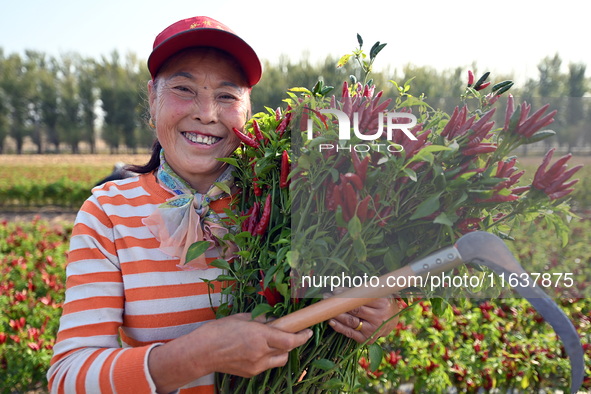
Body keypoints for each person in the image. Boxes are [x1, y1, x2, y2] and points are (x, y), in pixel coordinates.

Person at [47, 16, 399, 393]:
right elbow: (69, 377)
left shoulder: (286, 197)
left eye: (227, 96)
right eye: (184, 89)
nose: (207, 113)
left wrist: (379, 314)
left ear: (248, 111)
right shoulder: (109, 212)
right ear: (152, 98)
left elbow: (350, 302)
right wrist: (198, 355)